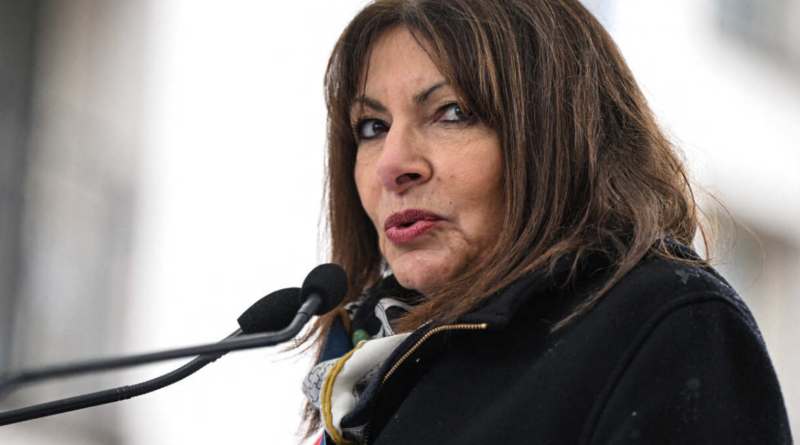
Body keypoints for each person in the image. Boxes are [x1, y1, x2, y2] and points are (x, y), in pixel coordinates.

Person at [298, 0, 794, 444]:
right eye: (373, 127)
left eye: (451, 113)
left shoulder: (664, 322)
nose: (391, 164)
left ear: (560, 136)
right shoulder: (368, 362)